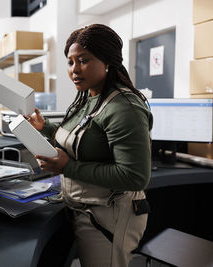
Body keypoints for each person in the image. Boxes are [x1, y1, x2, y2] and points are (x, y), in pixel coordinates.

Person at [26, 24, 153, 267]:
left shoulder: (124, 107)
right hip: (84, 209)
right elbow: (83, 137)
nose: (74, 70)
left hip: (111, 216)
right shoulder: (90, 96)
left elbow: (135, 176)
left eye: (83, 61)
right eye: (70, 62)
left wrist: (68, 167)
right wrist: (46, 128)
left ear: (107, 60)